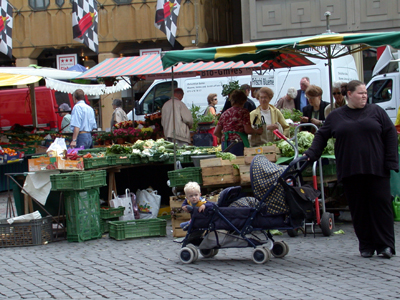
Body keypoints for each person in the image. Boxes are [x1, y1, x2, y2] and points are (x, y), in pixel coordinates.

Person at [303, 80, 399, 259]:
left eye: (365, 93)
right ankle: (367, 245)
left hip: (376, 168)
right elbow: (322, 136)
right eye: (360, 93)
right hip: (350, 169)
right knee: (358, 208)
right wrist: (310, 154)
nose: (364, 96)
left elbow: (390, 134)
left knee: (381, 206)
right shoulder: (336, 116)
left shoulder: (376, 111)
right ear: (349, 94)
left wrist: (392, 161)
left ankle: (385, 245)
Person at [214, 89, 263, 156]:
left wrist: (225, 137)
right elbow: (248, 130)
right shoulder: (244, 112)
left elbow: (216, 132)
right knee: (239, 163)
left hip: (225, 144)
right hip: (238, 143)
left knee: (227, 163)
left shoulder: (225, 113)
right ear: (244, 101)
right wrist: (258, 131)